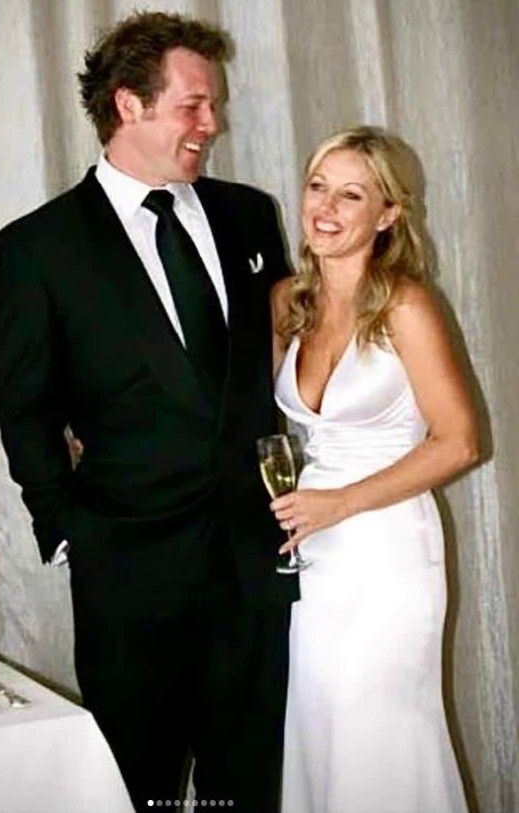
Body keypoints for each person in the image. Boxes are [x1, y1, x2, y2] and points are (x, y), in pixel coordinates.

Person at [0, 11, 297, 812]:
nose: (211, 123)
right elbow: (23, 405)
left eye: (212, 104)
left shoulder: (247, 214)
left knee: (247, 791)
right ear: (129, 104)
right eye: (194, 105)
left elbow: (276, 364)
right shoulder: (40, 246)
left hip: (251, 569)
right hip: (126, 576)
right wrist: (67, 527)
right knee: (140, 791)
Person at [270, 126, 478, 812]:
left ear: (387, 214)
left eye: (351, 195)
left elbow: (459, 443)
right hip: (314, 559)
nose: (325, 208)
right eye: (317, 186)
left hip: (388, 553)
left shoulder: (405, 306)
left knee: (377, 743)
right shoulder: (287, 302)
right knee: (321, 734)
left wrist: (339, 502)